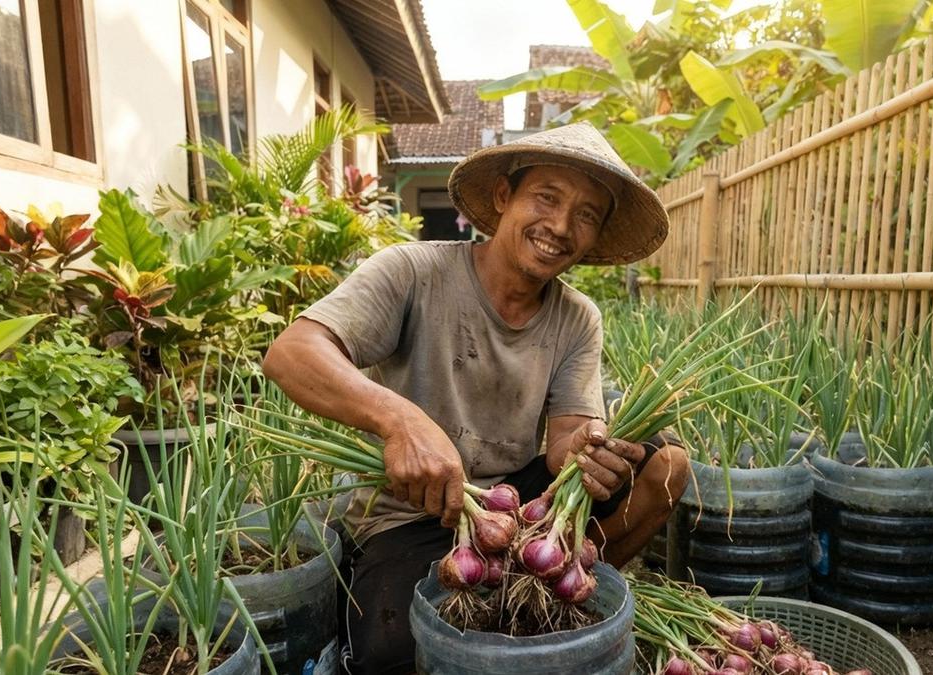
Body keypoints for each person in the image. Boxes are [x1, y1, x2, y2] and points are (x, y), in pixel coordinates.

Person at [262, 122, 691, 674]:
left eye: (585, 215)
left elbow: (566, 442)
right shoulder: (414, 271)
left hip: (516, 500)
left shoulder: (578, 317)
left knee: (667, 465)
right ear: (502, 197)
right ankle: (506, 584)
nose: (560, 226)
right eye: (547, 197)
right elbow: (292, 352)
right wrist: (401, 421)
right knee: (394, 652)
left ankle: (556, 584)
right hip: (410, 513)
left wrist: (590, 449)